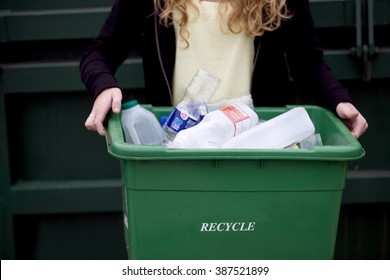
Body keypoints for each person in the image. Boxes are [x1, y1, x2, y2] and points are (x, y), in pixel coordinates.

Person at [80, 0, 368, 138]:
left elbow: (308, 63)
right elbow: (98, 54)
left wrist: (338, 100)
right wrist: (104, 86)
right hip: (178, 149)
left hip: (257, 149)